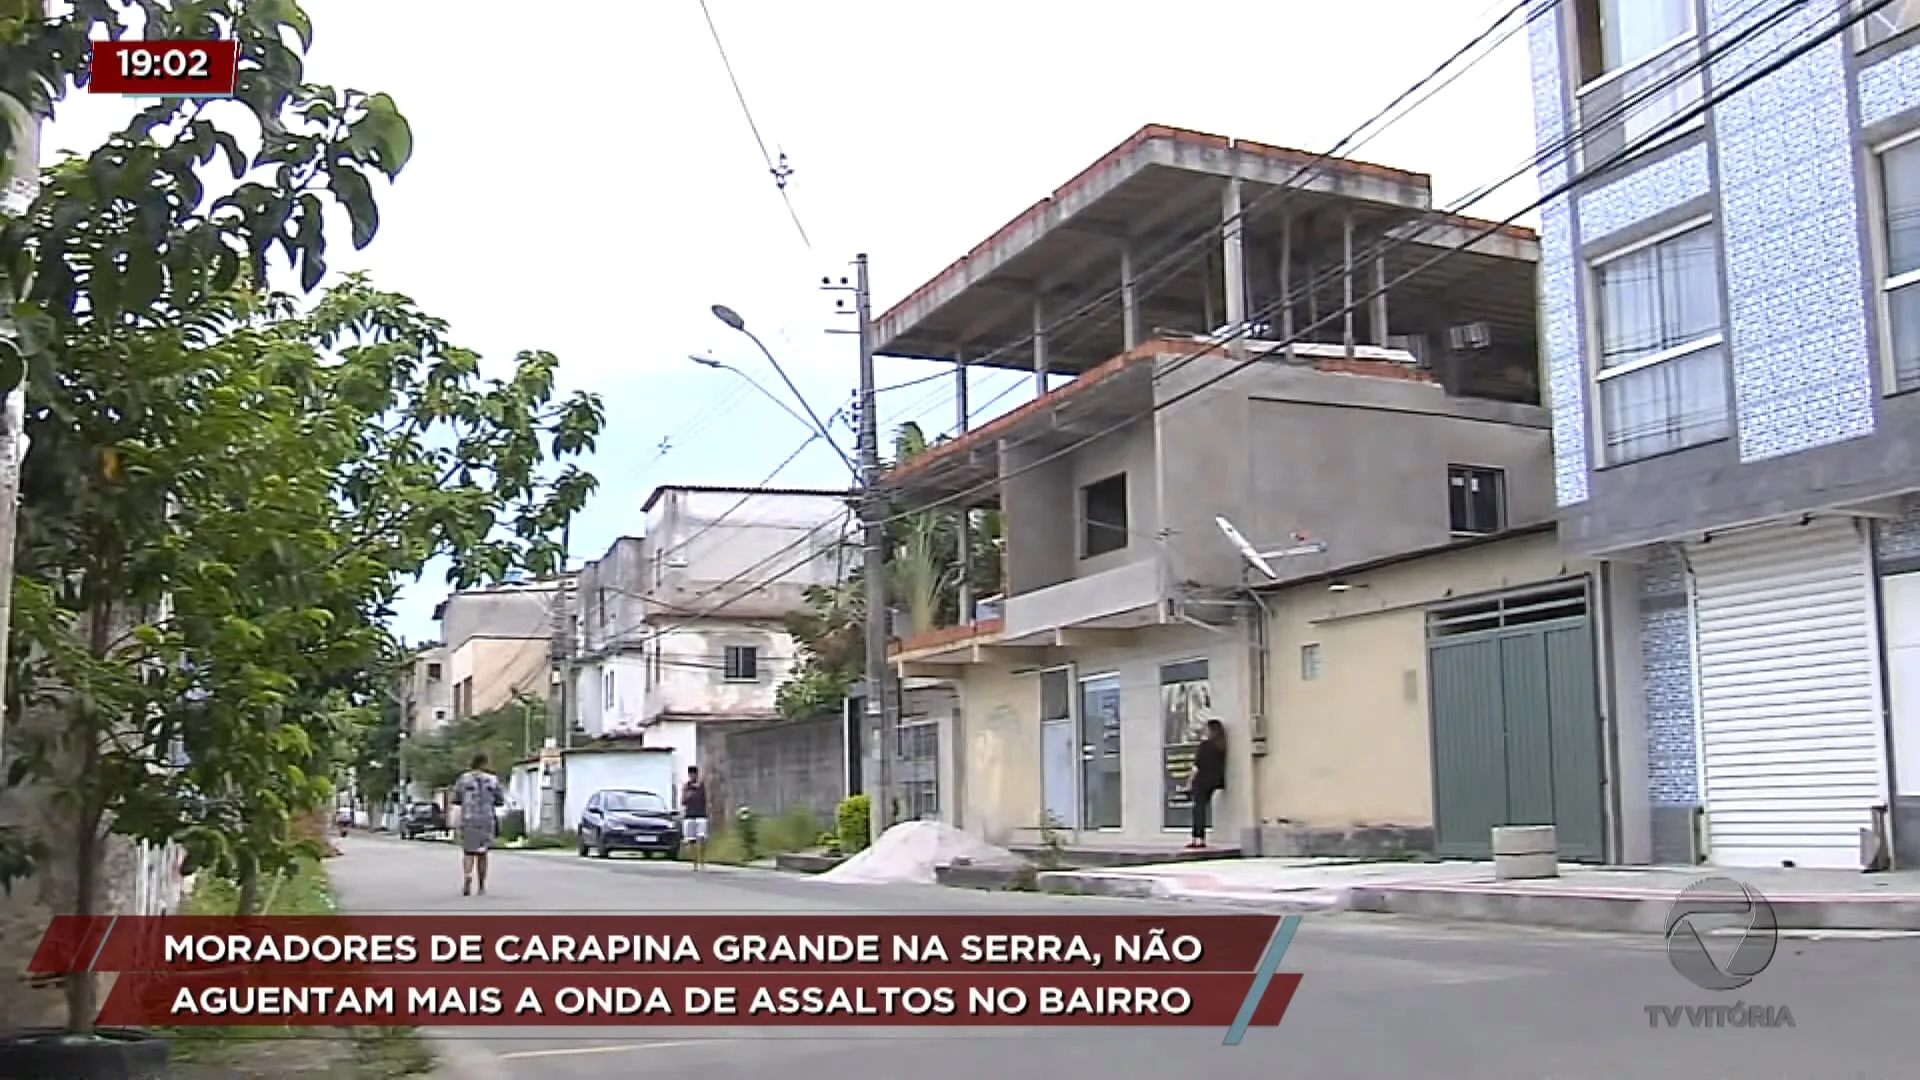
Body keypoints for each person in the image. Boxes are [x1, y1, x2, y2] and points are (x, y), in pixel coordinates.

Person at [452, 752, 505, 896]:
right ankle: (481, 886)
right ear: (484, 763)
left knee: (468, 852)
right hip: (486, 819)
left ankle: (468, 876)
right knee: (482, 853)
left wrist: (454, 822)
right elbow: (500, 800)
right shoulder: (492, 780)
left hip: (468, 819)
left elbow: (456, 800)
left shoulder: (463, 779)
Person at [1186, 720, 1228, 850]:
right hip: (1213, 782)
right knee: (1203, 809)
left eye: (1206, 729)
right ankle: (1201, 839)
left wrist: (1189, 781)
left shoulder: (1205, 746)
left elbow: (1197, 766)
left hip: (1201, 781)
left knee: (1197, 810)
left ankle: (1196, 839)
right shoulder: (1221, 746)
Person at [681, 766, 710, 870]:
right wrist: (690, 793)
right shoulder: (686, 786)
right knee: (691, 840)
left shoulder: (701, 786)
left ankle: (702, 861)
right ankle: (695, 863)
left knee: (701, 839)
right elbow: (683, 801)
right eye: (691, 774)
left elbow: (705, 799)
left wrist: (697, 789)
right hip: (689, 816)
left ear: (697, 774)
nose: (692, 776)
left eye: (694, 774)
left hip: (701, 815)